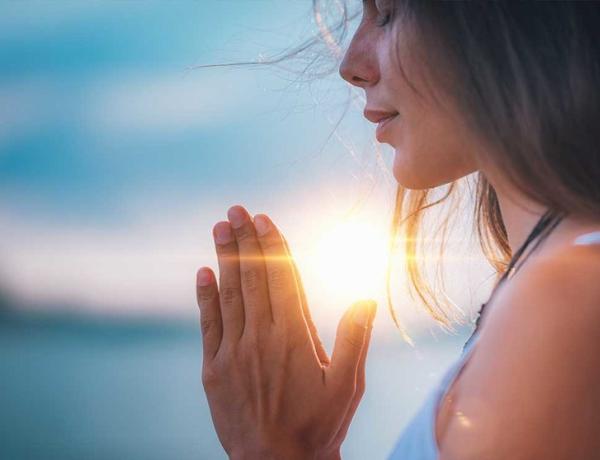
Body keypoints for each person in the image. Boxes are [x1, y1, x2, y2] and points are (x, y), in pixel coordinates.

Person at [195, 1, 600, 458]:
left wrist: (273, 449)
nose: (351, 65)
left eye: (387, 13)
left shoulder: (567, 307)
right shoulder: (557, 294)